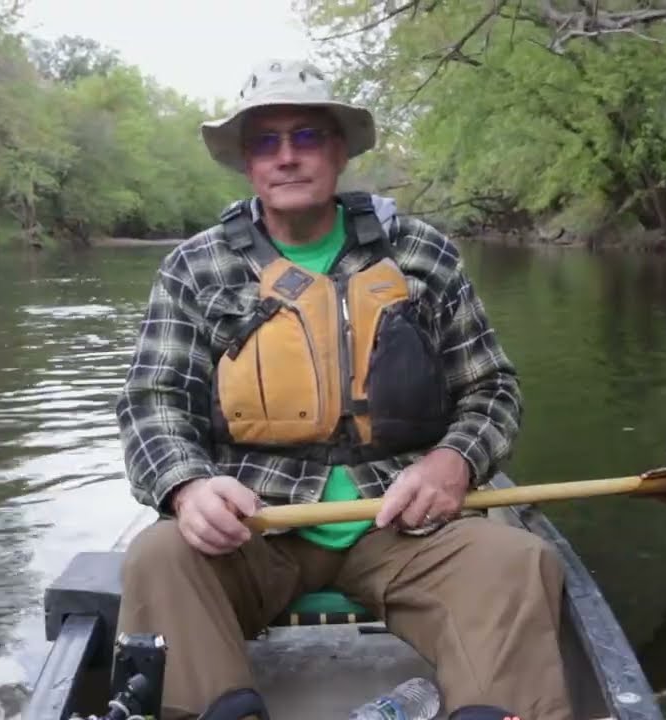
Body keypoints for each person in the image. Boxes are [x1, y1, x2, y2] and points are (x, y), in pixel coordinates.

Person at [114, 58, 572, 720]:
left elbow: (492, 390)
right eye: (267, 141)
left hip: (402, 522)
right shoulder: (195, 267)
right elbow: (151, 405)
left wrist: (455, 461)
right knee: (157, 557)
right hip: (256, 527)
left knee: (519, 563)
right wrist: (188, 488)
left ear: (339, 151)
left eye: (306, 136)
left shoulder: (422, 253)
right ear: (249, 163)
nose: (288, 157)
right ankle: (216, 708)